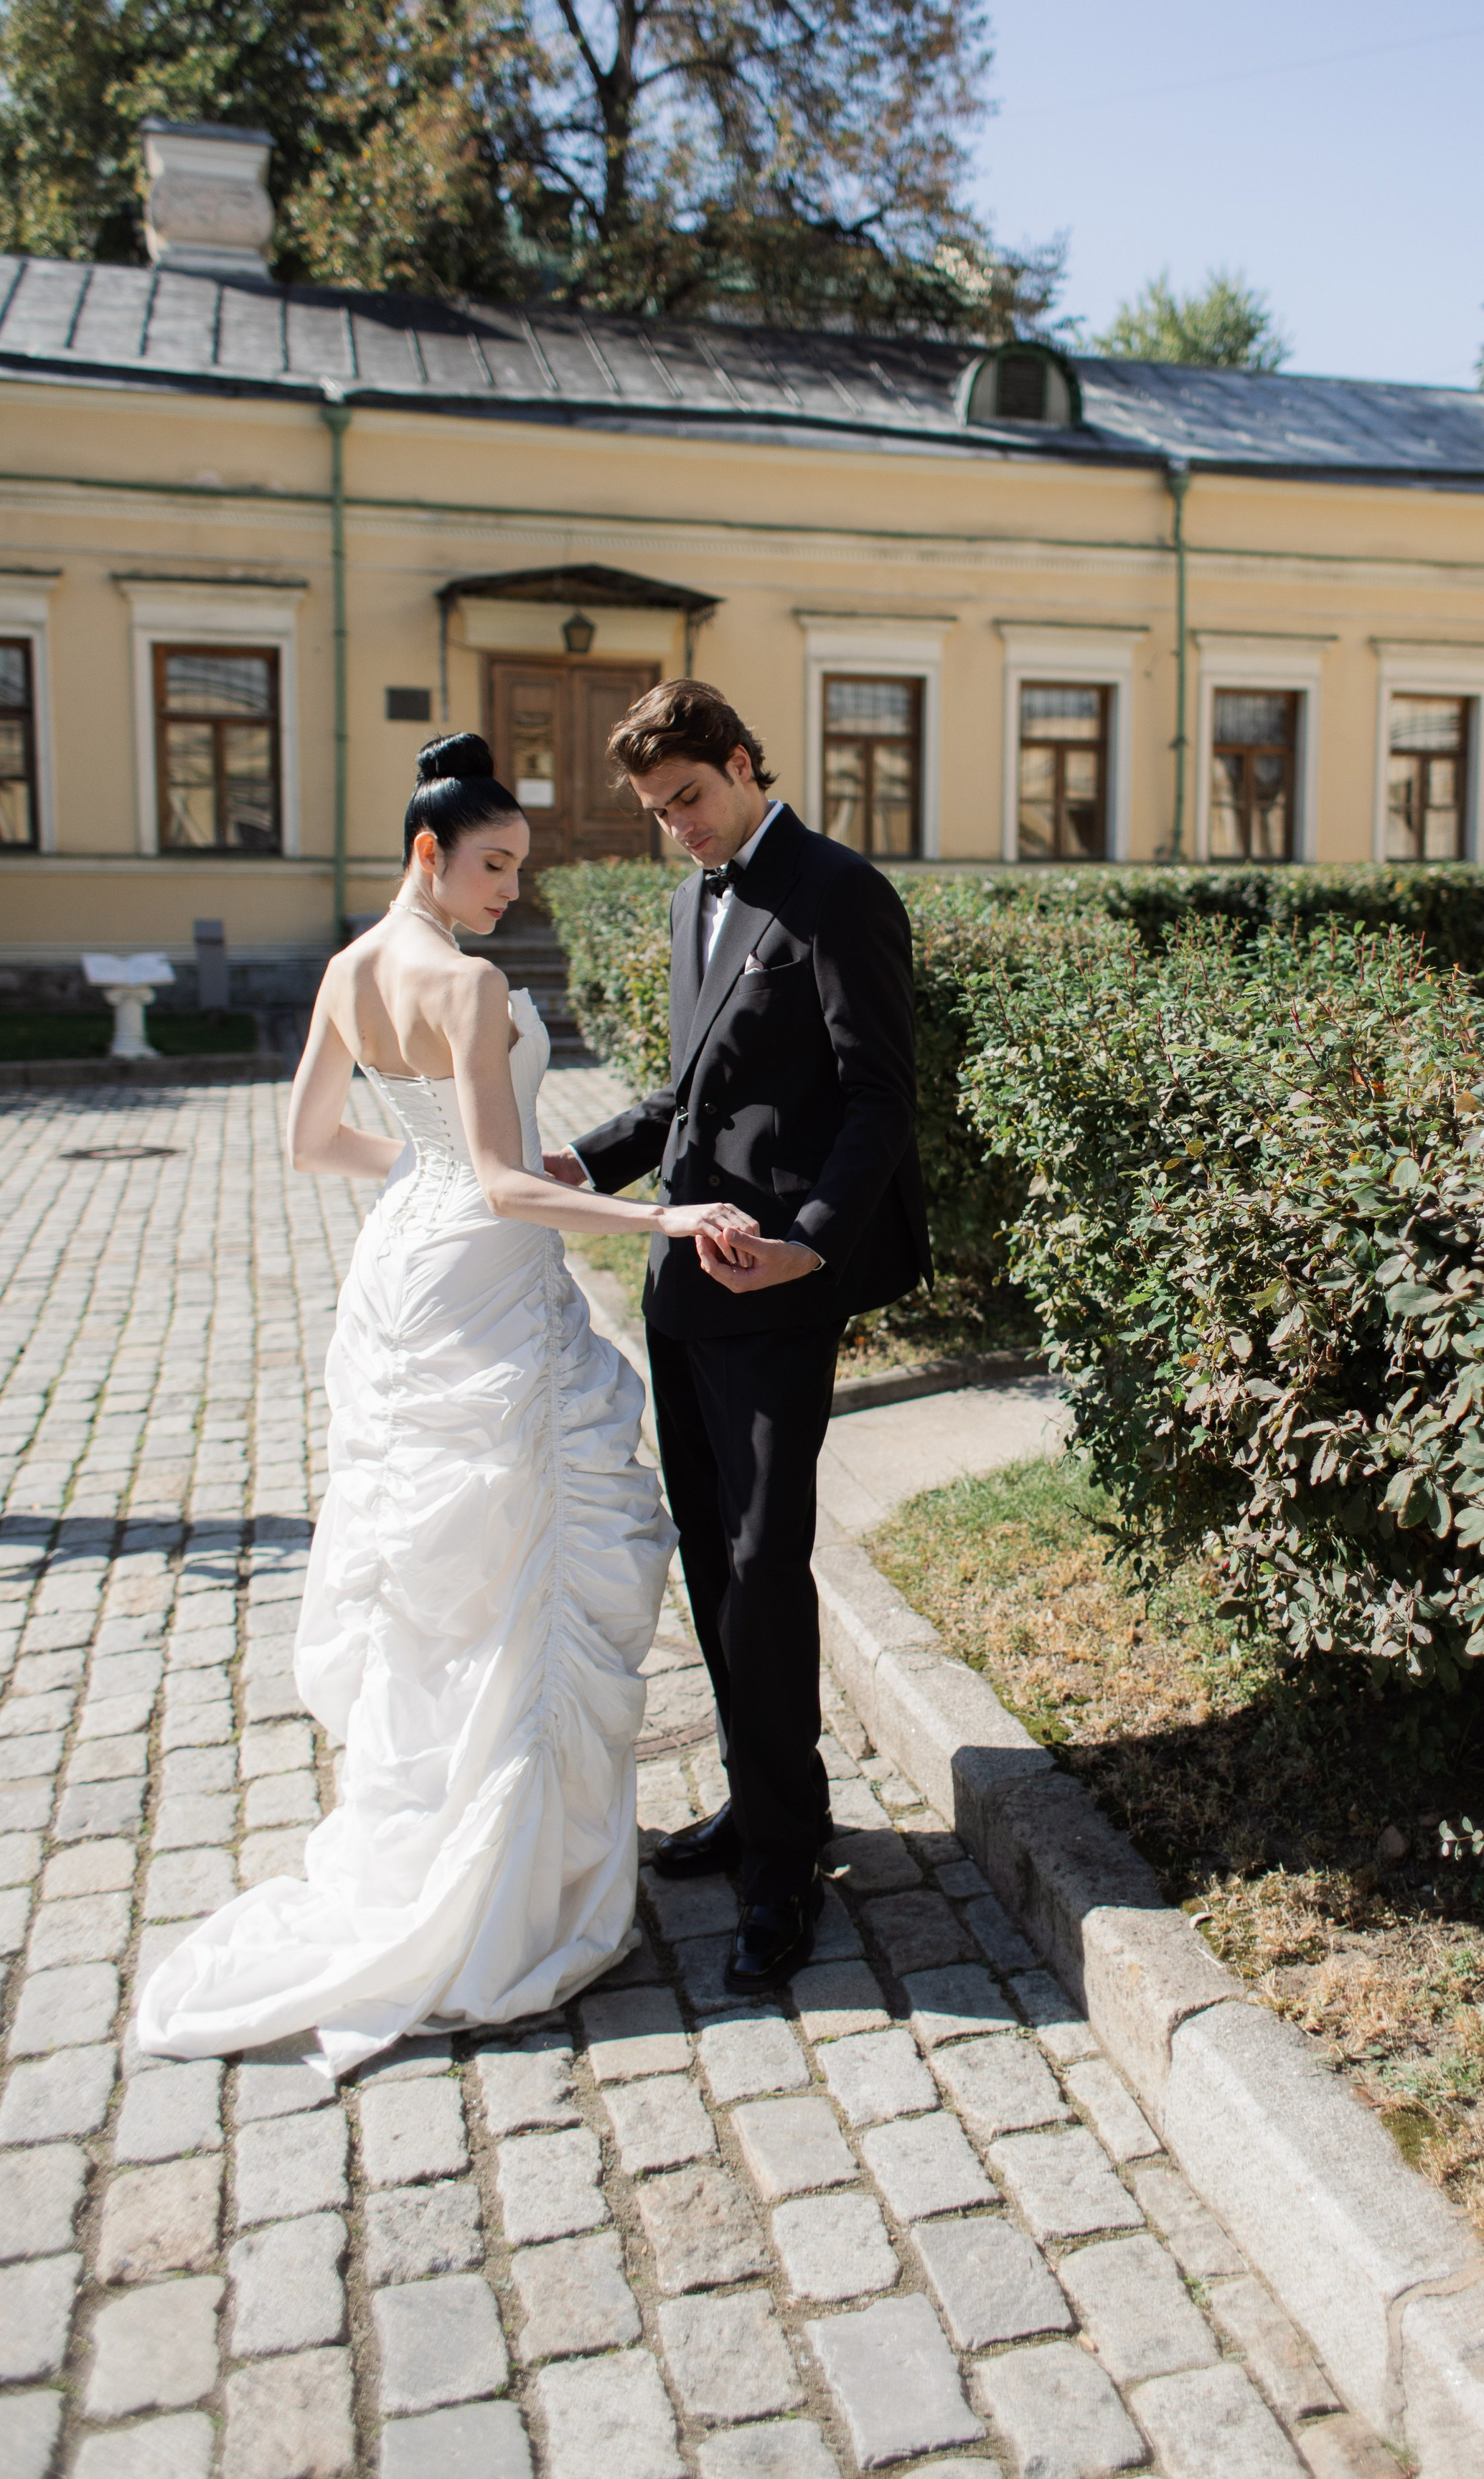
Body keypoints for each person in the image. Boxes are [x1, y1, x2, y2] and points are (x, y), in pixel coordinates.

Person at [137, 735, 756, 2077]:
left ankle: (455, 1837)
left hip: (404, 1275)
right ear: (430, 852)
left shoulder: (349, 972)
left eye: (518, 872)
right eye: (492, 867)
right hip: (481, 1282)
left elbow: (318, 1143)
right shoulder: (468, 989)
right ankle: (507, 1889)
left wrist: (429, 1170)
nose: (509, 896)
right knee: (513, 1569)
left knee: (442, 1577)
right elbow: (509, 1189)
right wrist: (661, 1209)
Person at [555, 680, 929, 1992]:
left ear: (743, 762)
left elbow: (884, 1098)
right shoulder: (687, 901)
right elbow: (681, 1095)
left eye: (692, 801)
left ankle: (784, 1870)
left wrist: (812, 1238)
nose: (681, 832)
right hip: (685, 1285)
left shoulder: (837, 893)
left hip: (781, 1288)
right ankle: (770, 1803)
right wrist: (577, 1164)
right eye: (660, 816)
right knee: (714, 1563)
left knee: (768, 1563)